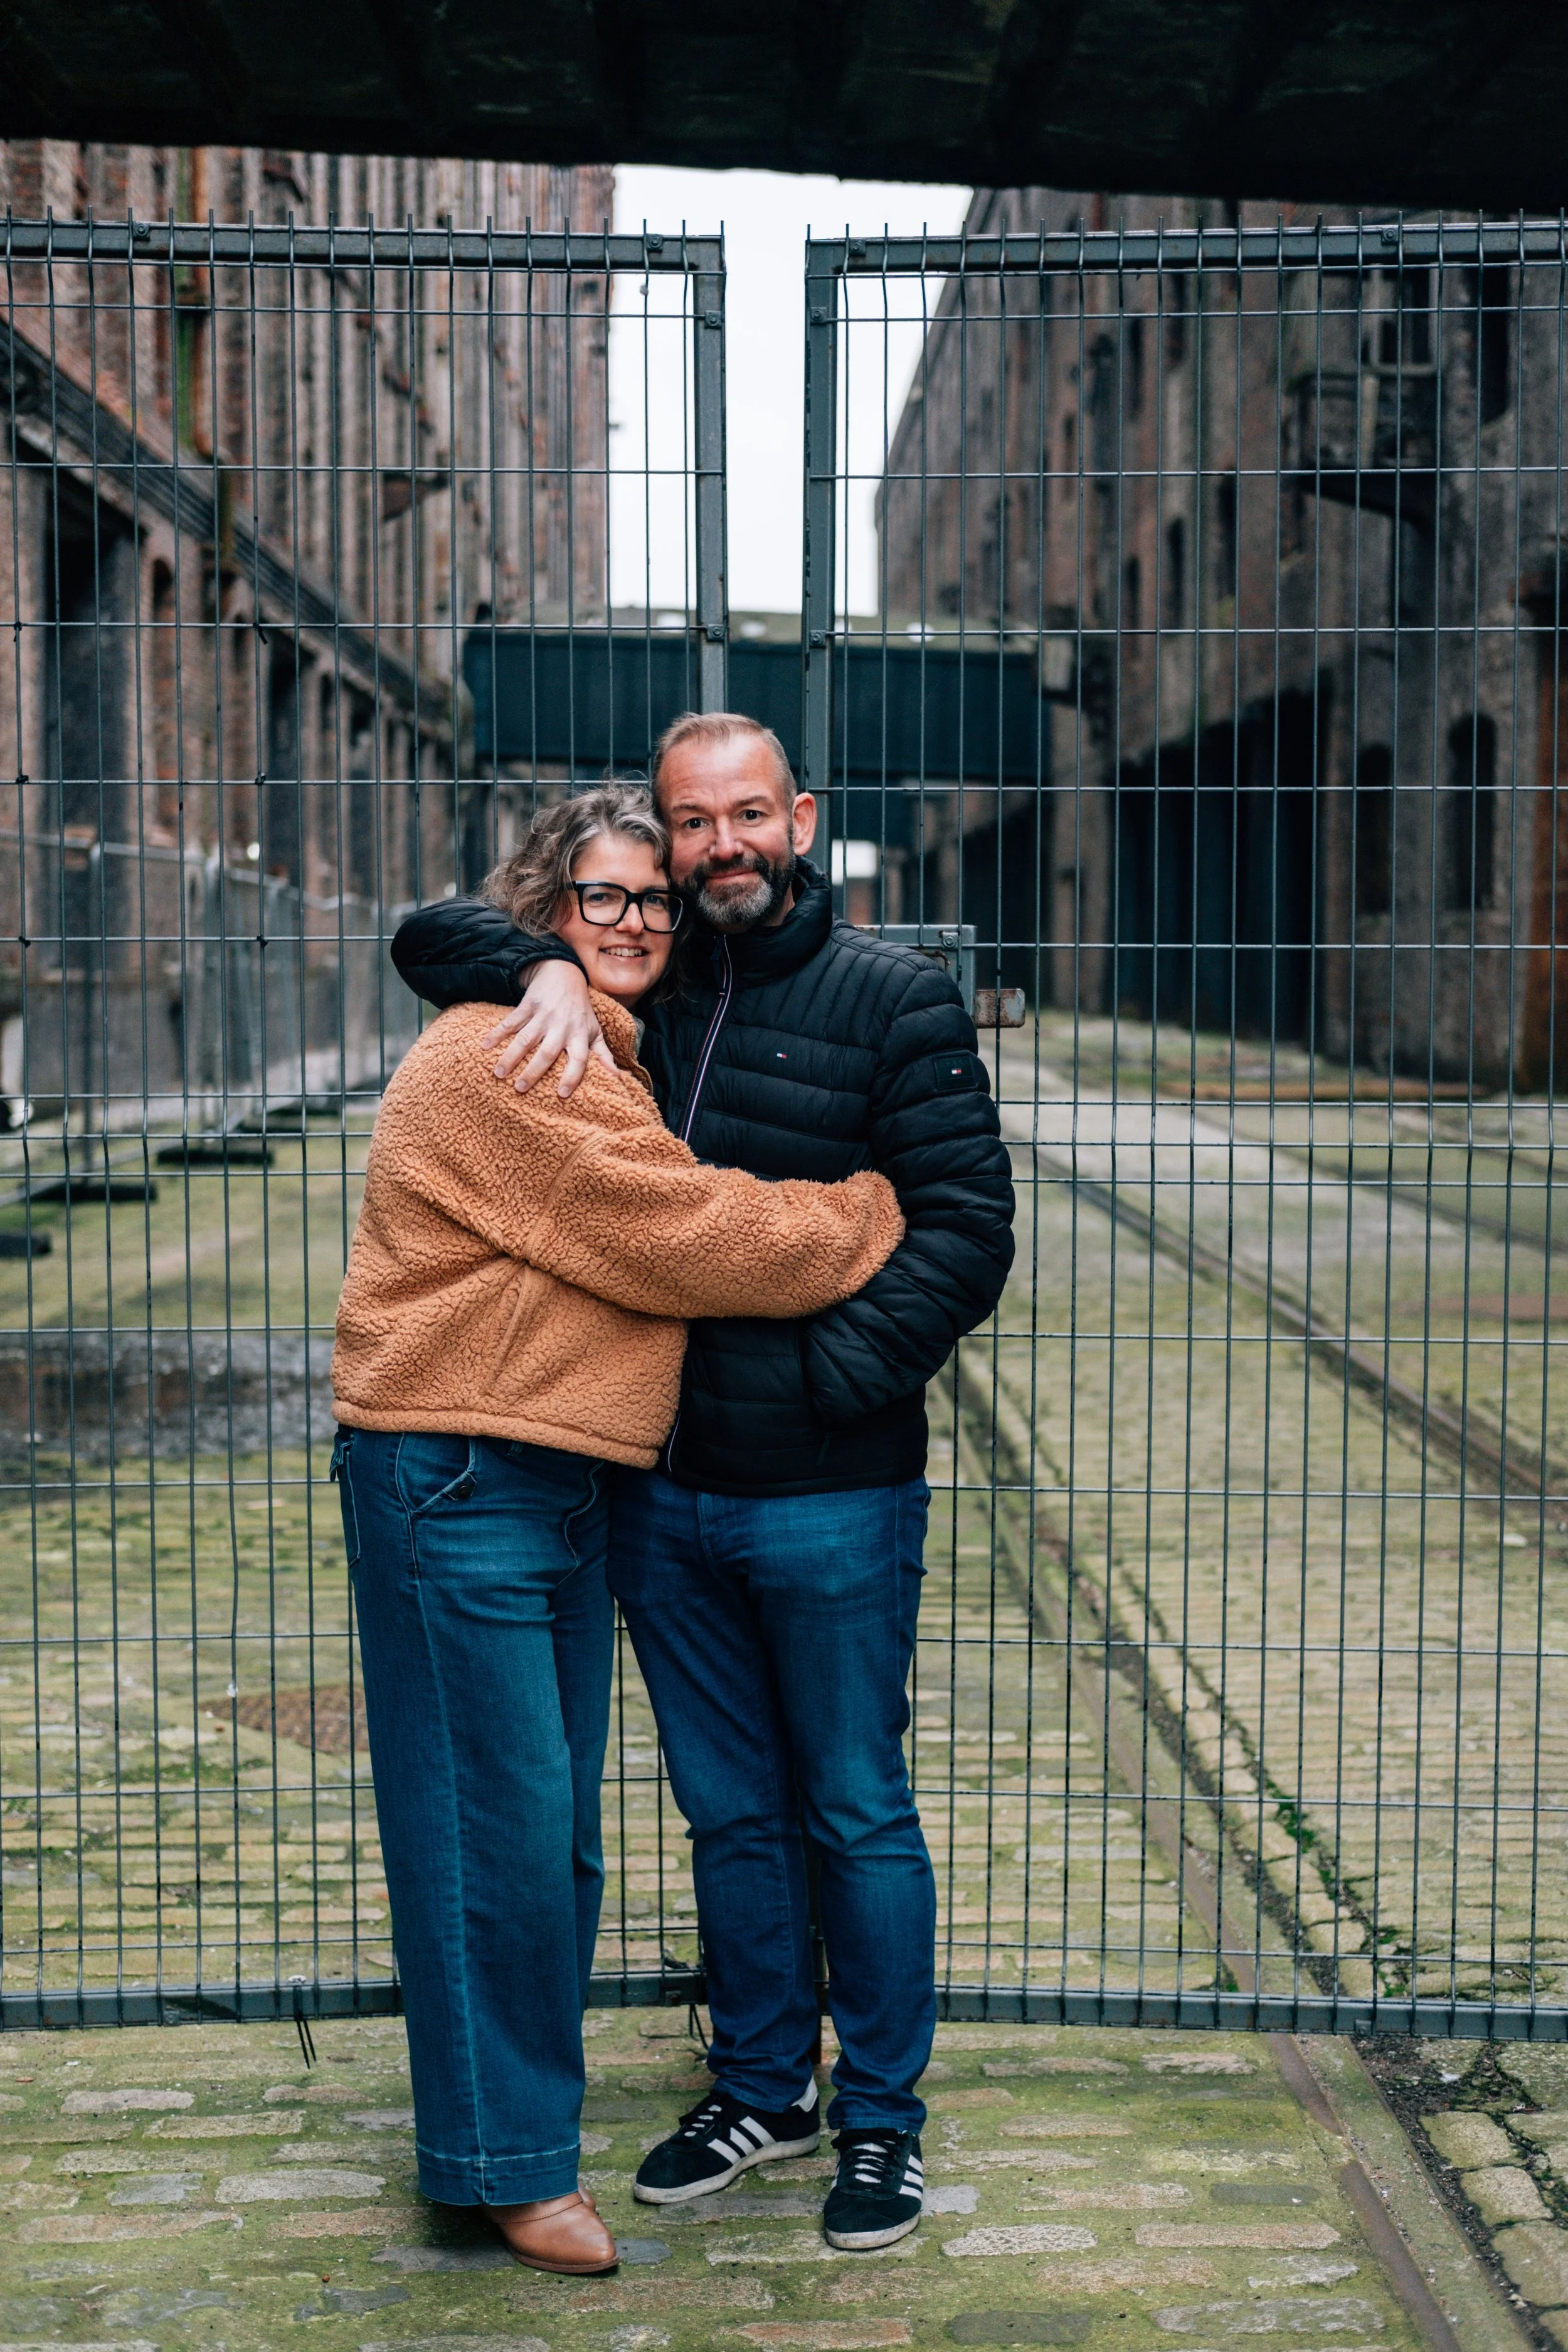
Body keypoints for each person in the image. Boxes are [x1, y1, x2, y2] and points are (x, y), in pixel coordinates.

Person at [393, 712, 1016, 2253]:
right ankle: (758, 2085)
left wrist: (822, 1385)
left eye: (748, 815)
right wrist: (532, 962)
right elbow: (436, 929)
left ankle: (880, 2119)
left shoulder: (895, 998)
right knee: (728, 1814)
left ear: (799, 818)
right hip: (656, 1497)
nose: (717, 848)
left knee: (853, 1807)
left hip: (828, 1487)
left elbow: (963, 1232)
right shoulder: (627, 996)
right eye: (689, 826)